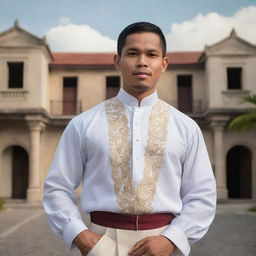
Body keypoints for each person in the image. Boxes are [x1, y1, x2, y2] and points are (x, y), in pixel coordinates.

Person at [43, 22, 216, 256]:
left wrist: (173, 239)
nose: (142, 61)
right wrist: (80, 235)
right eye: (133, 53)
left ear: (163, 63)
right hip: (99, 243)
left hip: (163, 244)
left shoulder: (186, 128)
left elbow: (201, 194)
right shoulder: (83, 124)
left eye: (151, 54)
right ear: (118, 61)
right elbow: (57, 186)